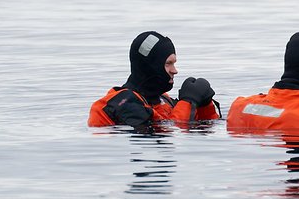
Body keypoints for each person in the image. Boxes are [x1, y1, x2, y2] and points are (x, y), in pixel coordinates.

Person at [88, 30, 221, 129]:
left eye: (174, 63)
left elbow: (201, 126)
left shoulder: (164, 99)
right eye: (168, 64)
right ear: (151, 67)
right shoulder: (123, 101)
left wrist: (204, 104)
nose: (175, 70)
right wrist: (188, 102)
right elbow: (173, 130)